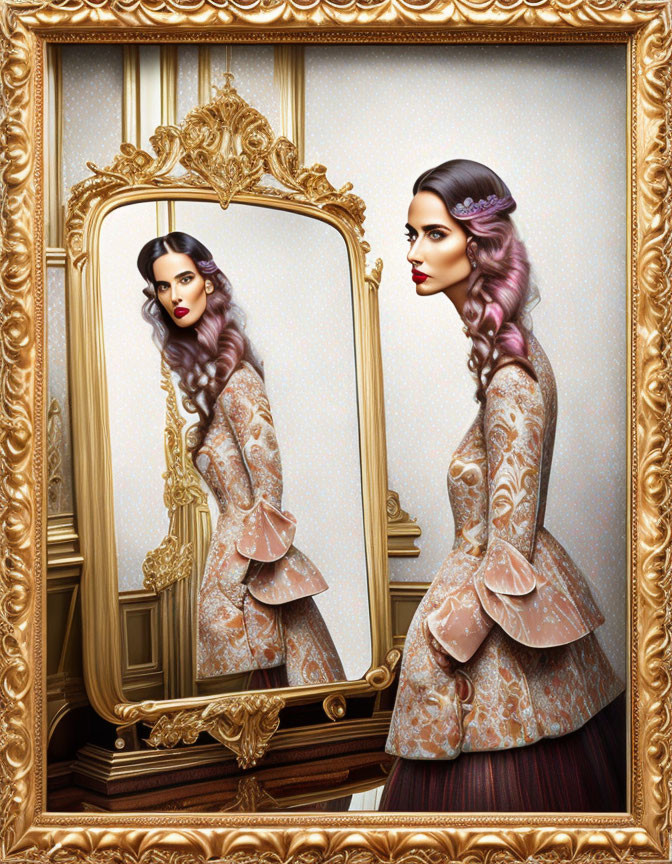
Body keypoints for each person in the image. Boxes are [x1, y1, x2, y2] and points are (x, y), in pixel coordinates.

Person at [381, 159, 625, 811]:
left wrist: (440, 646)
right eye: (411, 235)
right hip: (492, 593)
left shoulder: (511, 376)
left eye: (434, 234)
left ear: (481, 243)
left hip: (495, 616)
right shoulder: (508, 358)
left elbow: (508, 549)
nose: (414, 252)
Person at [137, 231, 345, 688]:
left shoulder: (239, 380)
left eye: (184, 279)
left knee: (266, 711)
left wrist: (233, 581)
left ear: (208, 283)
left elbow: (269, 496)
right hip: (231, 563)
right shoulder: (214, 383)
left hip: (249, 572)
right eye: (163, 286)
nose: (174, 295)